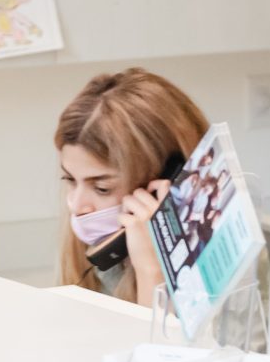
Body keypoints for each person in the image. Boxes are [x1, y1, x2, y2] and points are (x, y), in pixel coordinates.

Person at [54, 68, 210, 308]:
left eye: (102, 188)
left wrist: (152, 270)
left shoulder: (220, 261)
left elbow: (157, 346)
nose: (77, 205)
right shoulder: (103, 249)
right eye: (70, 180)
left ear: (168, 178)